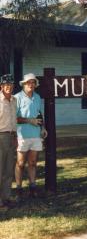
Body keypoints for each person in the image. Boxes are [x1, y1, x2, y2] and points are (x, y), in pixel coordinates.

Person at [15, 73, 47, 201]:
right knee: (21, 163)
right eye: (29, 82)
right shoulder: (17, 97)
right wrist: (30, 121)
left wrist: (43, 127)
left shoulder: (38, 97)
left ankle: (33, 188)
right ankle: (18, 189)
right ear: (24, 84)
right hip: (22, 135)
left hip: (35, 135)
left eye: (33, 82)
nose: (31, 85)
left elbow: (39, 114)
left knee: (32, 163)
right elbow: (14, 118)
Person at [0, 74, 17, 210]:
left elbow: (14, 120)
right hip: (0, 136)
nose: (8, 87)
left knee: (8, 170)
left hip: (11, 136)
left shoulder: (14, 100)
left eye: (10, 85)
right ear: (1, 86)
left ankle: (6, 197)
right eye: (6, 85)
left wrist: (15, 137)